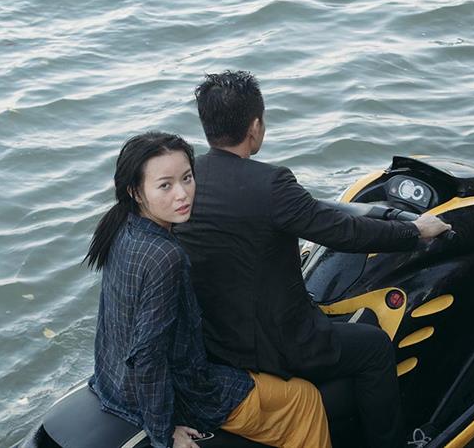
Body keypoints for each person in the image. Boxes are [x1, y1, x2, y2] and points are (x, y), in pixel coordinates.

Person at [174, 71, 451, 448]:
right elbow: (343, 232)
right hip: (276, 346)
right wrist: (415, 231)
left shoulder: (185, 181)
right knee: (374, 347)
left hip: (216, 339)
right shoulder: (272, 183)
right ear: (255, 127)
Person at [85, 131, 331, 448]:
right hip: (189, 394)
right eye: (165, 185)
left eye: (187, 178)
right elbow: (148, 355)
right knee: (305, 399)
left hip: (112, 383)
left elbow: (113, 320)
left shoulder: (121, 226)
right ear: (136, 191)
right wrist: (164, 433)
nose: (182, 194)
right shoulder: (166, 257)